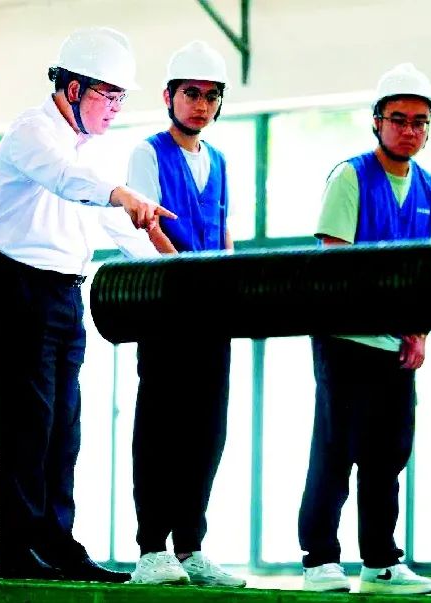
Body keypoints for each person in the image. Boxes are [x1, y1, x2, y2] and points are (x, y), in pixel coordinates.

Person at [0, 27, 175, 582]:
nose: (114, 108)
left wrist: (177, 267)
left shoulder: (96, 152)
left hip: (65, 291)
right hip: (16, 283)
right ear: (71, 88)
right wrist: (123, 194)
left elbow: (121, 226)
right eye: (107, 96)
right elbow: (66, 180)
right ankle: (18, 548)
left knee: (64, 428)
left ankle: (57, 543)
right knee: (27, 423)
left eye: (121, 98)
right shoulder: (32, 131)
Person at [298, 63, 431, 595]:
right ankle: (319, 560)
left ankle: (381, 563)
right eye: (399, 119)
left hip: (396, 345)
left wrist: (419, 333)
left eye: (419, 122)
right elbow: (335, 263)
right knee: (336, 449)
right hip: (345, 338)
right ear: (377, 122)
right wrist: (388, 322)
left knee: (388, 455)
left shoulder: (429, 187)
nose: (409, 130)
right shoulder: (350, 176)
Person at [124, 41, 245, 588]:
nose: (201, 105)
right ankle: (152, 549)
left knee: (207, 431)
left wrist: (227, 284)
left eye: (211, 96)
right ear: (169, 96)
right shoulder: (147, 153)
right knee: (161, 428)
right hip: (168, 309)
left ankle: (191, 548)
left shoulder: (219, 161)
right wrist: (190, 276)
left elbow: (223, 231)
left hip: (211, 313)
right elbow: (147, 224)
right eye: (191, 93)